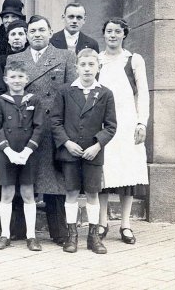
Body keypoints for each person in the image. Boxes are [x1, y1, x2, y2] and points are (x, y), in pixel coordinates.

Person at [6, 15, 77, 245]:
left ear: (50, 32)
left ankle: (60, 232)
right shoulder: (15, 58)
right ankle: (17, 230)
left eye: (41, 30)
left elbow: (72, 95)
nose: (37, 34)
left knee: (54, 181)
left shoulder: (65, 56)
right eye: (32, 31)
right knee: (21, 178)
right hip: (22, 127)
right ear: (26, 34)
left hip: (53, 127)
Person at [50, 49, 117, 254]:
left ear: (98, 67)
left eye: (91, 65)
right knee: (70, 193)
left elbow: (111, 126)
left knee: (92, 193)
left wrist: (97, 145)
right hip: (71, 152)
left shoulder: (105, 93)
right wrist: (67, 143)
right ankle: (72, 236)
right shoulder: (65, 91)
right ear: (76, 67)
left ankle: (93, 237)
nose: (87, 69)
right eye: (83, 65)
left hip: (93, 153)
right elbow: (55, 122)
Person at [97, 18, 149, 244]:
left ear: (124, 34)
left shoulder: (133, 60)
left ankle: (126, 224)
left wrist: (141, 123)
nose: (112, 35)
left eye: (117, 31)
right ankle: (101, 222)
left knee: (127, 173)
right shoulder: (96, 60)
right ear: (104, 34)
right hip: (101, 124)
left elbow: (144, 93)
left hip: (127, 123)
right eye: (109, 31)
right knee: (103, 172)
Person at [0, 60, 45, 251]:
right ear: (6, 79)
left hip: (28, 155)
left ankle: (31, 236)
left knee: (28, 193)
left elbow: (39, 128)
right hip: (7, 154)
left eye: (20, 77)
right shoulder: (0, 101)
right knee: (6, 193)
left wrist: (27, 151)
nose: (16, 80)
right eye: (12, 77)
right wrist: (8, 151)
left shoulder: (34, 100)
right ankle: (4, 234)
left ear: (27, 79)